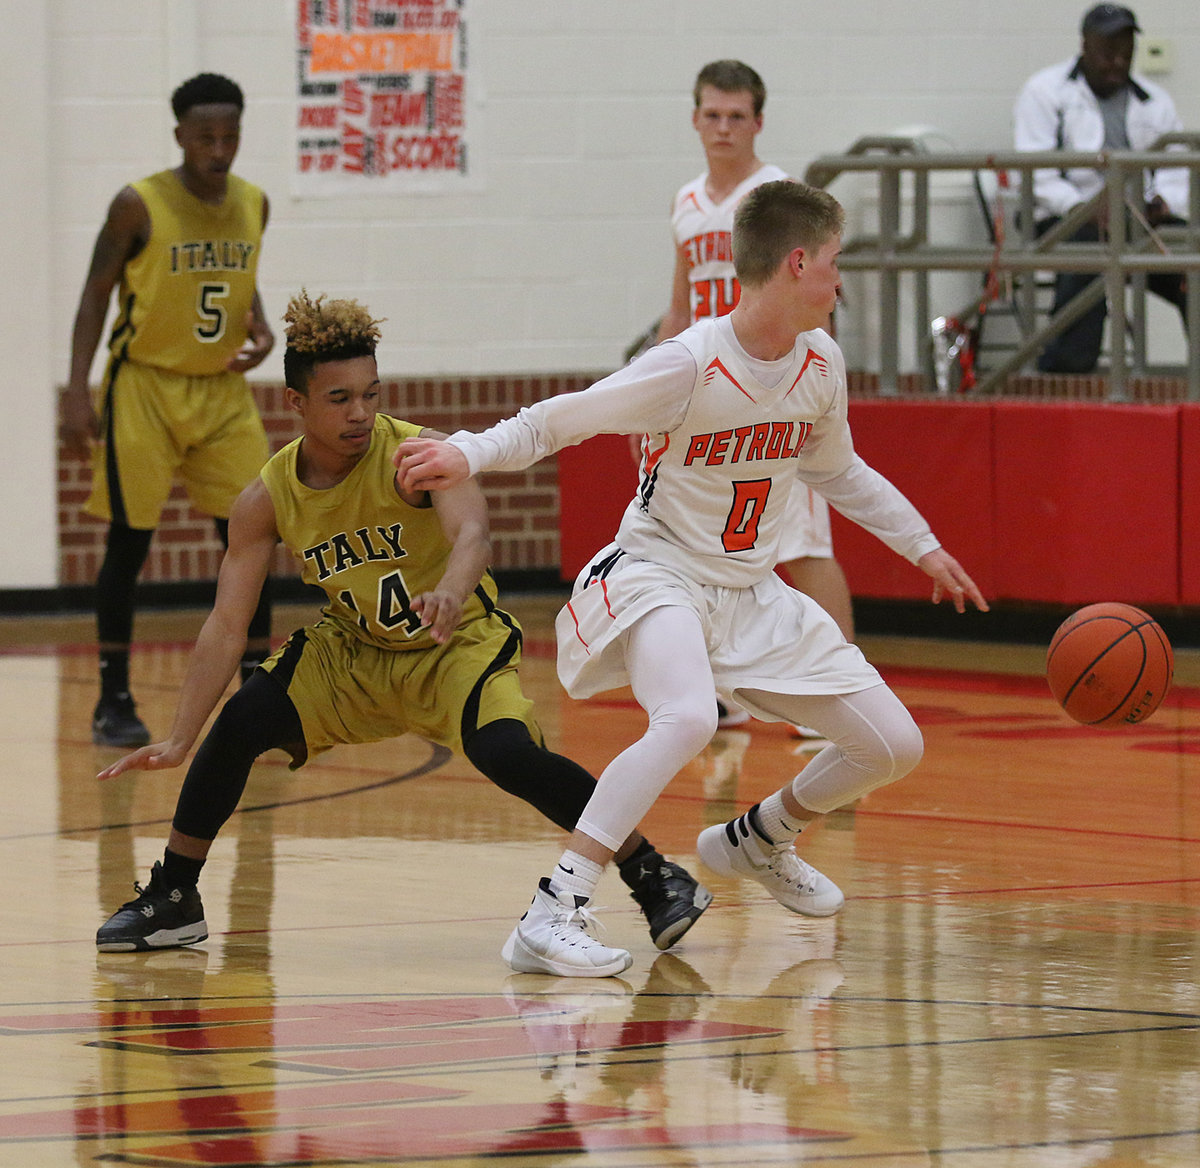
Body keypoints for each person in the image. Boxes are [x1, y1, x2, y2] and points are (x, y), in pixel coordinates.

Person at [395, 180, 989, 978]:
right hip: (656, 572)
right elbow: (563, 418)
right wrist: (468, 450)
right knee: (684, 718)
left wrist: (921, 545)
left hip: (753, 591)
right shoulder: (689, 364)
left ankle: (757, 839)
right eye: (836, 263)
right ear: (797, 262)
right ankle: (554, 908)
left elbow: (838, 469)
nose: (841, 282)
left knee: (893, 743)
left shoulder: (820, 363)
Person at [94, 291, 710, 960]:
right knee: (241, 720)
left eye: (369, 393)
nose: (359, 412)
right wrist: (183, 735)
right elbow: (224, 625)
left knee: (508, 754)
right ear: (295, 404)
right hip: (355, 654)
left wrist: (449, 590)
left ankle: (652, 873)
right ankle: (175, 896)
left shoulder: (417, 454)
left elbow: (472, 531)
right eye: (338, 399)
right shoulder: (266, 498)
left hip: (453, 646)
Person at [61, 73, 276, 748]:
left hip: (219, 391)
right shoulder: (138, 204)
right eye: (206, 136)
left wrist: (261, 325)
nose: (220, 148)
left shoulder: (254, 202)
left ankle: (256, 694)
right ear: (180, 134)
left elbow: (236, 277)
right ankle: (113, 698)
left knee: (256, 533)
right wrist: (75, 389)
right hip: (145, 386)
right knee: (130, 540)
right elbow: (97, 294)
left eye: (231, 135)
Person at [655, 60, 855, 730]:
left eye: (736, 116)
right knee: (702, 542)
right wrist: (655, 394)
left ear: (758, 122)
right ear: (694, 118)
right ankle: (719, 690)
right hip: (707, 393)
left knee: (804, 542)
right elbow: (679, 307)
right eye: (712, 114)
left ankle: (839, 689)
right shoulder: (685, 202)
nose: (723, 127)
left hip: (772, 387)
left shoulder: (777, 197)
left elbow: (815, 295)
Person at [1013, 3, 1190, 373]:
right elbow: (1035, 176)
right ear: (1085, 46)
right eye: (1108, 53)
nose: (1117, 63)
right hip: (1062, 219)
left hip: (1137, 222)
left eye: (1126, 54)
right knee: (1088, 255)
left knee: (1191, 256)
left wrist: (1162, 201)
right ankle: (1068, 375)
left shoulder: (1155, 102)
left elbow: (1175, 172)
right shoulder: (1045, 92)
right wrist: (1086, 207)